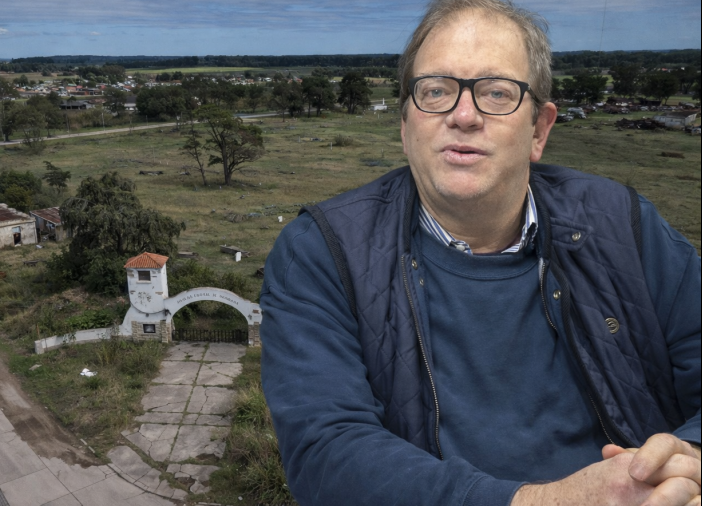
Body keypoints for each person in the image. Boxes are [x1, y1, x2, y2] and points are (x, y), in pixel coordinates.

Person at [258, 0, 701, 505]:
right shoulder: (321, 252)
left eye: (496, 92)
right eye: (435, 91)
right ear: (405, 126)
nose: (463, 116)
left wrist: (687, 460)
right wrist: (544, 502)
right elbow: (327, 456)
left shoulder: (624, 224)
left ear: (539, 130)